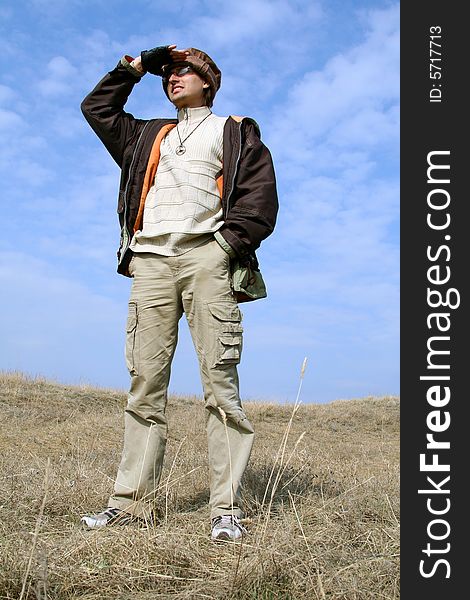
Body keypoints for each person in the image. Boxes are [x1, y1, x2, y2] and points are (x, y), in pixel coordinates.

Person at [80, 44, 278, 541]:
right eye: (167, 74)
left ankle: (226, 509)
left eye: (183, 72)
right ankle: (130, 505)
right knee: (145, 384)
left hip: (206, 258)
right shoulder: (147, 134)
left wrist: (224, 246)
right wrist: (136, 67)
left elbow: (259, 198)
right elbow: (97, 109)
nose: (173, 79)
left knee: (219, 384)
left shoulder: (234, 129)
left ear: (207, 80)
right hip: (149, 262)